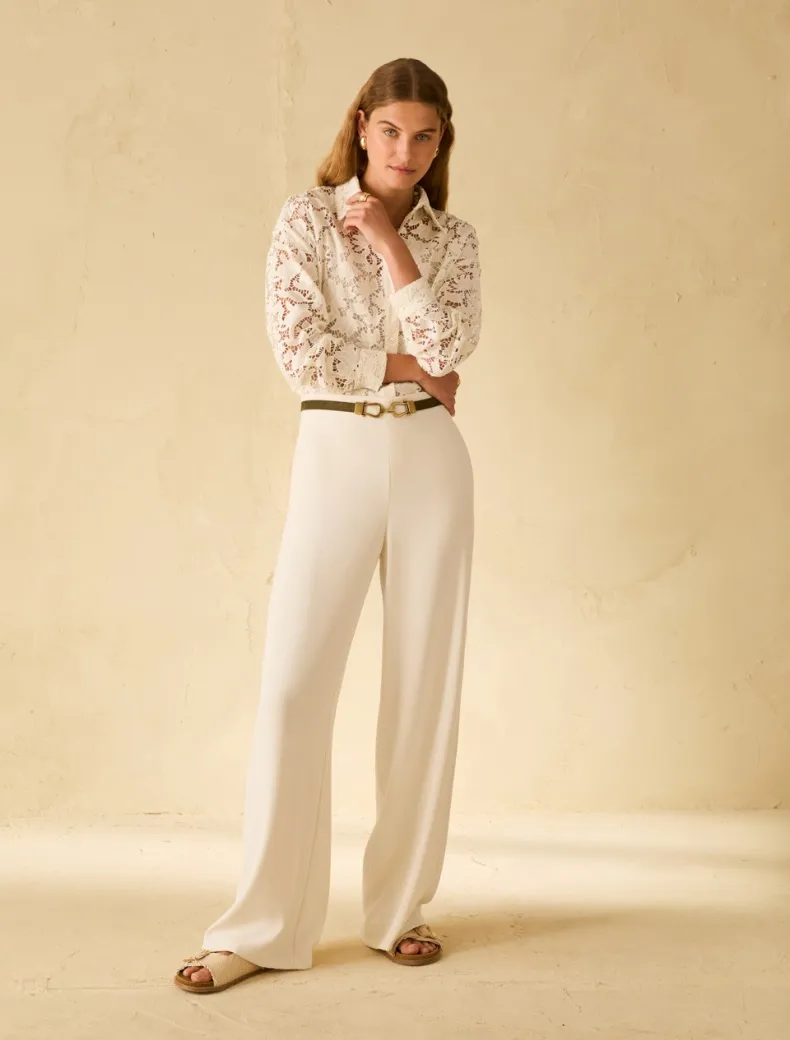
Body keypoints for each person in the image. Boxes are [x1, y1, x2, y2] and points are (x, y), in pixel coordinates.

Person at [174, 56, 482, 994]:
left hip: (432, 462)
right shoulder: (304, 220)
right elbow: (301, 354)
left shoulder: (454, 238)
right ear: (360, 126)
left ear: (441, 142)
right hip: (336, 449)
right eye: (389, 131)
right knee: (293, 687)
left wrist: (391, 244)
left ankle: (400, 912)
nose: (404, 150)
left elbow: (454, 345)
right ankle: (260, 927)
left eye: (423, 136)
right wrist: (409, 366)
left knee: (424, 688)